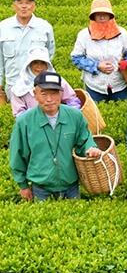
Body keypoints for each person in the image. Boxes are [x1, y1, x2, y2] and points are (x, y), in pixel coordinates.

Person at [10, 71, 101, 201]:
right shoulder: (24, 121)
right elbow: (17, 155)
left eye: (54, 93)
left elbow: (85, 139)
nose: (49, 99)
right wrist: (23, 185)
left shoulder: (75, 116)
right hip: (41, 188)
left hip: (71, 186)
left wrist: (91, 148)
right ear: (35, 94)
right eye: (43, 93)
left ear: (61, 93)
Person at [70, 0, 127, 103]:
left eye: (105, 14)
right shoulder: (84, 35)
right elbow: (76, 57)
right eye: (98, 14)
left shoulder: (121, 33)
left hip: (119, 83)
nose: (102, 17)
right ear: (93, 16)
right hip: (95, 86)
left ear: (110, 15)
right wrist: (97, 66)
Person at [0, 0, 55, 101]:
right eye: (20, 3)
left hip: (37, 85)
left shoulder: (44, 27)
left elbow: (49, 54)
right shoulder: (3, 27)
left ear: (34, 7)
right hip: (13, 85)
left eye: (28, 3)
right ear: (14, 6)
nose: (24, 6)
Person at [10, 46, 80, 118]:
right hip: (32, 123)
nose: (39, 66)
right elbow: (19, 114)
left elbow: (73, 102)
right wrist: (37, 116)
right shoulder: (19, 87)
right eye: (35, 63)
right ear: (29, 65)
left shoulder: (58, 81)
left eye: (43, 63)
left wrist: (68, 116)